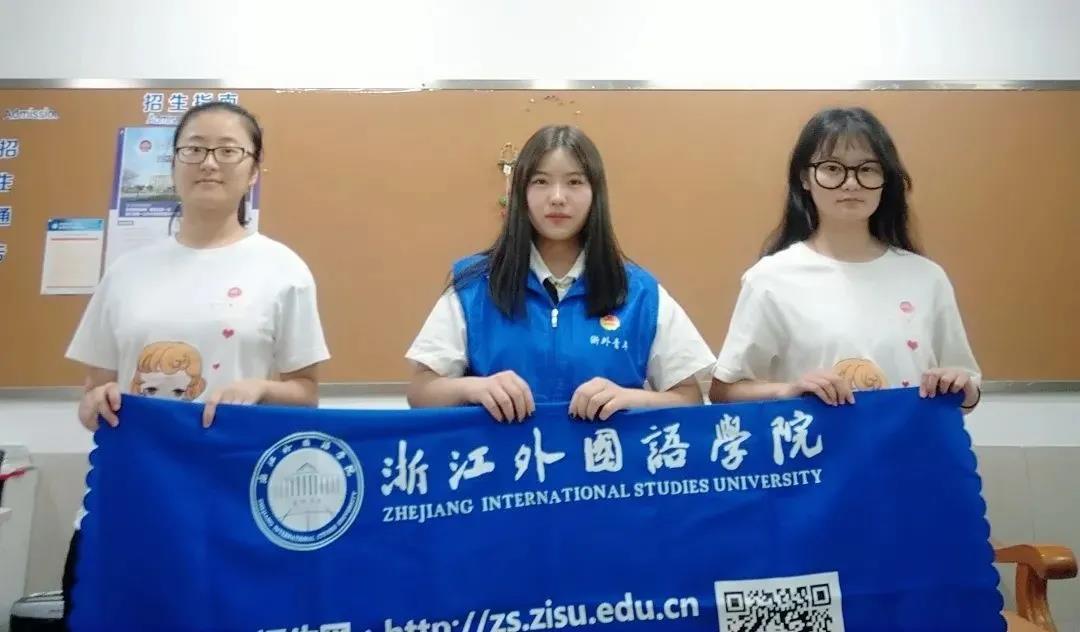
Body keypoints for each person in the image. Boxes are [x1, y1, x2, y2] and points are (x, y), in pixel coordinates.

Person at [61, 101, 330, 626]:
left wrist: (259, 389)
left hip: (234, 507)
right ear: (173, 164)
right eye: (194, 149)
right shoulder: (127, 272)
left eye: (228, 151)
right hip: (132, 499)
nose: (209, 162)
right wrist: (97, 401)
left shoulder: (283, 269)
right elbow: (92, 396)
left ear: (254, 170)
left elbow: (305, 393)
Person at [406, 124, 715, 422]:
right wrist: (473, 388)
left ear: (595, 193)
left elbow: (689, 398)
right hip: (504, 459)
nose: (557, 197)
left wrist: (630, 398)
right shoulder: (474, 285)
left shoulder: (640, 292)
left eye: (574, 182)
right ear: (522, 193)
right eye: (541, 181)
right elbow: (421, 391)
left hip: (603, 458)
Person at [711, 107, 981, 411]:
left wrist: (962, 388)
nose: (851, 183)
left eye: (867, 169)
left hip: (911, 442)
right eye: (832, 168)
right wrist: (788, 390)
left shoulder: (927, 277)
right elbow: (724, 390)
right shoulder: (770, 278)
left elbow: (967, 394)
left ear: (885, 179)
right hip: (816, 442)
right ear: (805, 178)